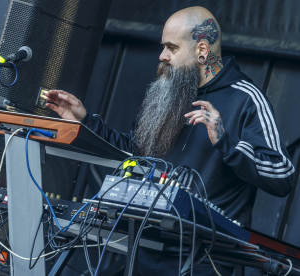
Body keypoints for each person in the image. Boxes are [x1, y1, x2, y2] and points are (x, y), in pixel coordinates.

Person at [45, 6, 294, 276]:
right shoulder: (171, 89)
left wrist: (226, 141)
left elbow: (282, 175)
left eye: (171, 48)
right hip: (145, 246)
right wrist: (85, 122)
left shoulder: (246, 99)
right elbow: (134, 152)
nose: (162, 56)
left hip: (205, 261)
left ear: (202, 50)